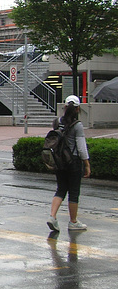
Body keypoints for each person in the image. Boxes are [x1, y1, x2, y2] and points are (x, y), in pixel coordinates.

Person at [47, 95, 91, 232]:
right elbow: (81, 147)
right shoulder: (77, 125)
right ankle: (73, 222)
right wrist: (87, 164)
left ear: (65, 107)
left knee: (60, 189)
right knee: (73, 192)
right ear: (78, 109)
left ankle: (52, 216)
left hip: (59, 161)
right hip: (73, 162)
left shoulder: (57, 122)